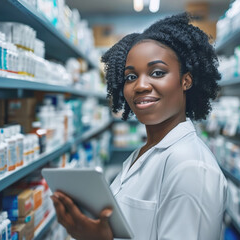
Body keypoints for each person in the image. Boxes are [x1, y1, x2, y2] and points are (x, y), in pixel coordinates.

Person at [50, 12, 227, 240]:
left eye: (157, 73)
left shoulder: (191, 167)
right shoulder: (144, 152)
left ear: (186, 81)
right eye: (131, 77)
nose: (141, 85)